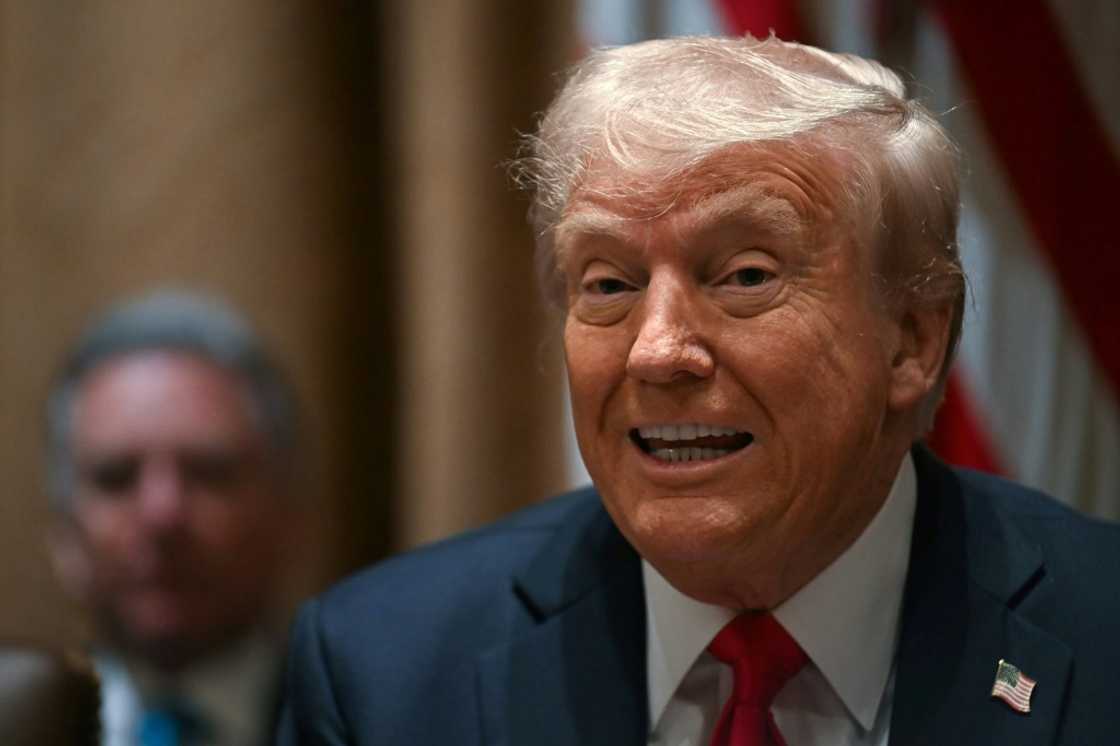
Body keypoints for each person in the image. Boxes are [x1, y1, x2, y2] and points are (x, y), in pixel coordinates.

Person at [277, 35, 1120, 745]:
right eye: (608, 284)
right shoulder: (381, 676)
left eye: (745, 276)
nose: (657, 350)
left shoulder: (1102, 633)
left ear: (913, 340)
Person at [47, 291, 302, 746]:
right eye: (117, 478)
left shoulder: (365, 723)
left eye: (208, 473)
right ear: (64, 533)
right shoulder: (24, 723)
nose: (162, 514)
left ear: (286, 512)